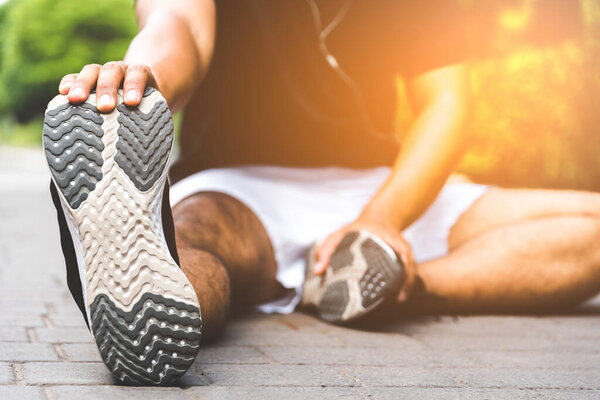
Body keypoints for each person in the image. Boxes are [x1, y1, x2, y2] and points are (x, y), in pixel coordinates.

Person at [45, 0, 600, 385]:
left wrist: (381, 219)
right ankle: (138, 285)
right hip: (242, 184)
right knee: (194, 240)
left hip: (381, 189)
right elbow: (179, 24)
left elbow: (449, 106)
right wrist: (146, 77)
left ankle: (385, 282)